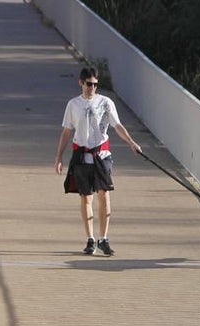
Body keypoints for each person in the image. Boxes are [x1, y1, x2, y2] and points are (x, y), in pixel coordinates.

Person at [53, 67, 142, 256]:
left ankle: (104, 238)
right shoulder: (73, 105)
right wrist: (59, 157)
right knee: (86, 197)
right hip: (82, 155)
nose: (92, 88)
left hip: (102, 155)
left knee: (104, 194)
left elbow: (117, 126)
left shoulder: (106, 103)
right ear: (81, 83)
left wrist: (132, 143)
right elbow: (67, 132)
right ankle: (90, 239)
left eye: (95, 84)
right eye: (88, 84)